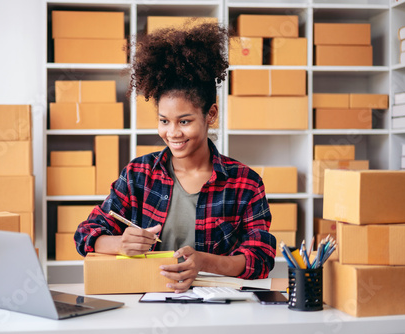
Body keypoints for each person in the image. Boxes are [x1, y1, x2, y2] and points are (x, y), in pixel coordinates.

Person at [74, 22, 276, 293]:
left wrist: (206, 262)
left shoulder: (245, 183)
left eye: (184, 121)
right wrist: (118, 243)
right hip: (147, 301)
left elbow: (262, 257)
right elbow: (85, 233)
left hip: (216, 307)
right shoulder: (138, 175)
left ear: (211, 115)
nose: (172, 133)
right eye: (164, 121)